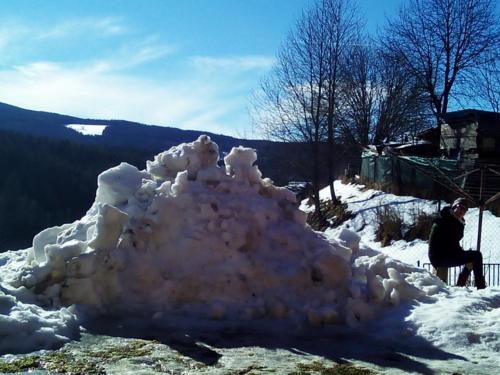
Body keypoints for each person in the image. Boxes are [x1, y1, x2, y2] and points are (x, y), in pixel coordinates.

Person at [428, 197, 486, 289]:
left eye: (465, 209)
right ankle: (480, 287)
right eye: (460, 207)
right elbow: (449, 242)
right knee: (476, 256)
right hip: (440, 257)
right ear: (454, 206)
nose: (462, 211)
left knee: (472, 257)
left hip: (446, 254)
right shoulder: (445, 219)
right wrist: (464, 255)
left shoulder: (454, 220)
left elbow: (452, 243)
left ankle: (461, 285)